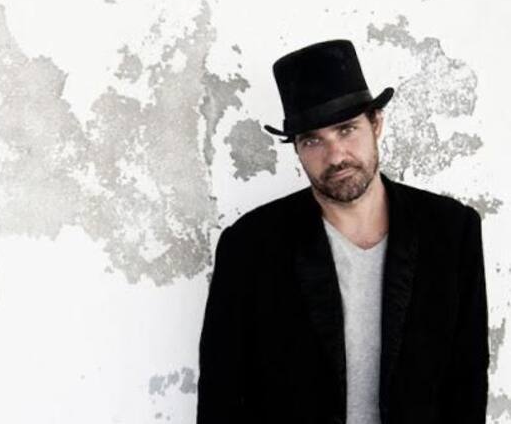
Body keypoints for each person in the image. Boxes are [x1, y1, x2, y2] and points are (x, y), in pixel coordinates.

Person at [196, 40, 489, 424]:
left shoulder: (451, 231)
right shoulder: (250, 245)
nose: (335, 156)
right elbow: (220, 392)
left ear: (376, 124)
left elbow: (467, 380)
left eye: (346, 129)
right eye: (313, 140)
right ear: (297, 149)